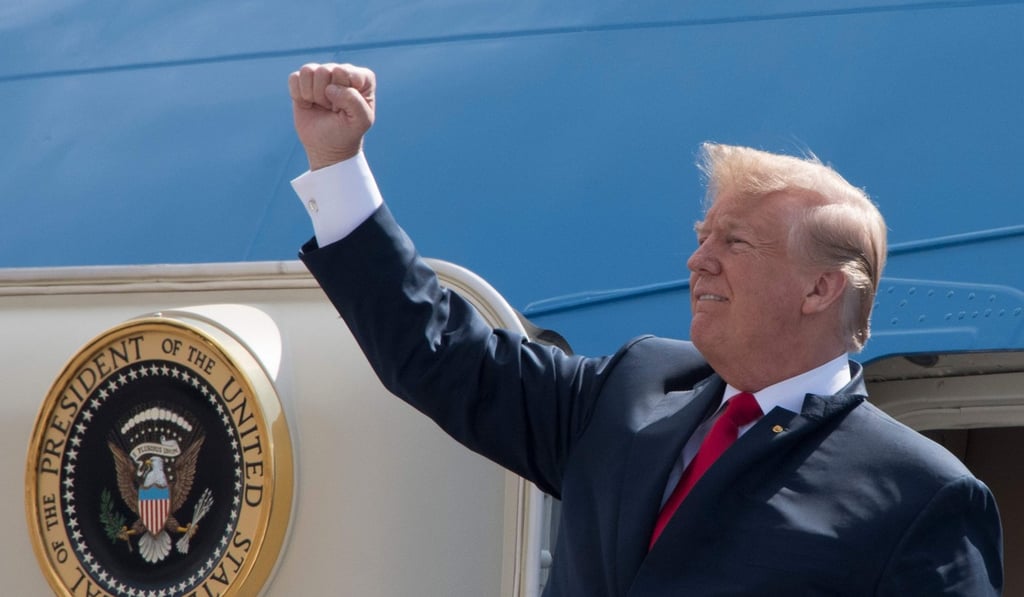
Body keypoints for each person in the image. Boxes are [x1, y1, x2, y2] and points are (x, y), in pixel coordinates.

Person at [287, 62, 1003, 595]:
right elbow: (442, 354)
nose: (698, 260)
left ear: (820, 287)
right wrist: (338, 168)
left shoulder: (923, 495)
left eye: (735, 243)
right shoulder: (633, 385)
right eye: (702, 234)